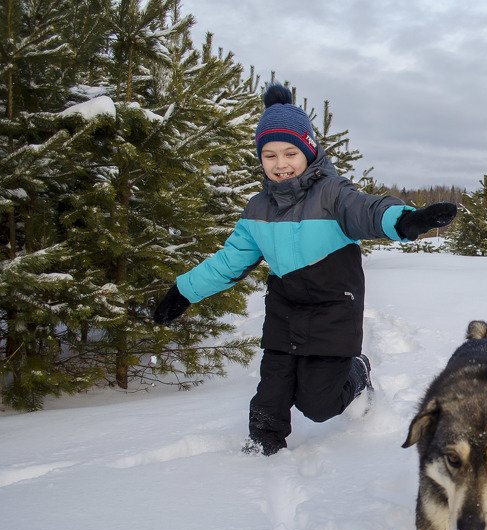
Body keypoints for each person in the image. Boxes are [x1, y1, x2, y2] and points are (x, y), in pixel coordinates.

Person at [152, 83, 456, 456]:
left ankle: (358, 372)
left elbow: (369, 210)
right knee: (273, 387)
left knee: (319, 404)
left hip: (333, 309)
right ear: (260, 159)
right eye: (270, 155)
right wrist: (184, 291)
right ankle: (263, 445)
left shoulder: (333, 194)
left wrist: (406, 220)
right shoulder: (257, 209)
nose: (280, 164)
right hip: (285, 309)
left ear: (309, 150)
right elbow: (229, 262)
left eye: (290, 152)